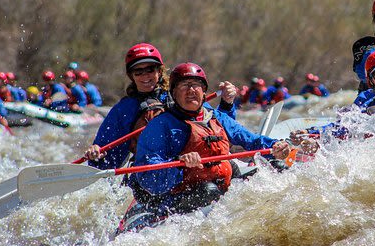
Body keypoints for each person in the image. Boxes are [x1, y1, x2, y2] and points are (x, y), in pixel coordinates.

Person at [121, 62, 291, 233]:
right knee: (208, 191)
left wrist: (274, 146)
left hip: (221, 187)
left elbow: (250, 140)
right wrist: (179, 164)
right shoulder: (160, 126)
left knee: (278, 167)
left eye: (196, 85)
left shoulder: (216, 117)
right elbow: (148, 178)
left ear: (203, 92)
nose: (191, 90)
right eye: (184, 86)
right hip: (176, 197)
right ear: (173, 93)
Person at [84, 43, 238, 171]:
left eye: (150, 69)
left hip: (196, 162)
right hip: (157, 169)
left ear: (159, 71)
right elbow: (106, 159)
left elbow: (220, 130)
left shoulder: (180, 93)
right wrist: (97, 153)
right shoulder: (124, 109)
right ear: (132, 76)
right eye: (139, 71)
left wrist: (227, 103)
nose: (145, 76)